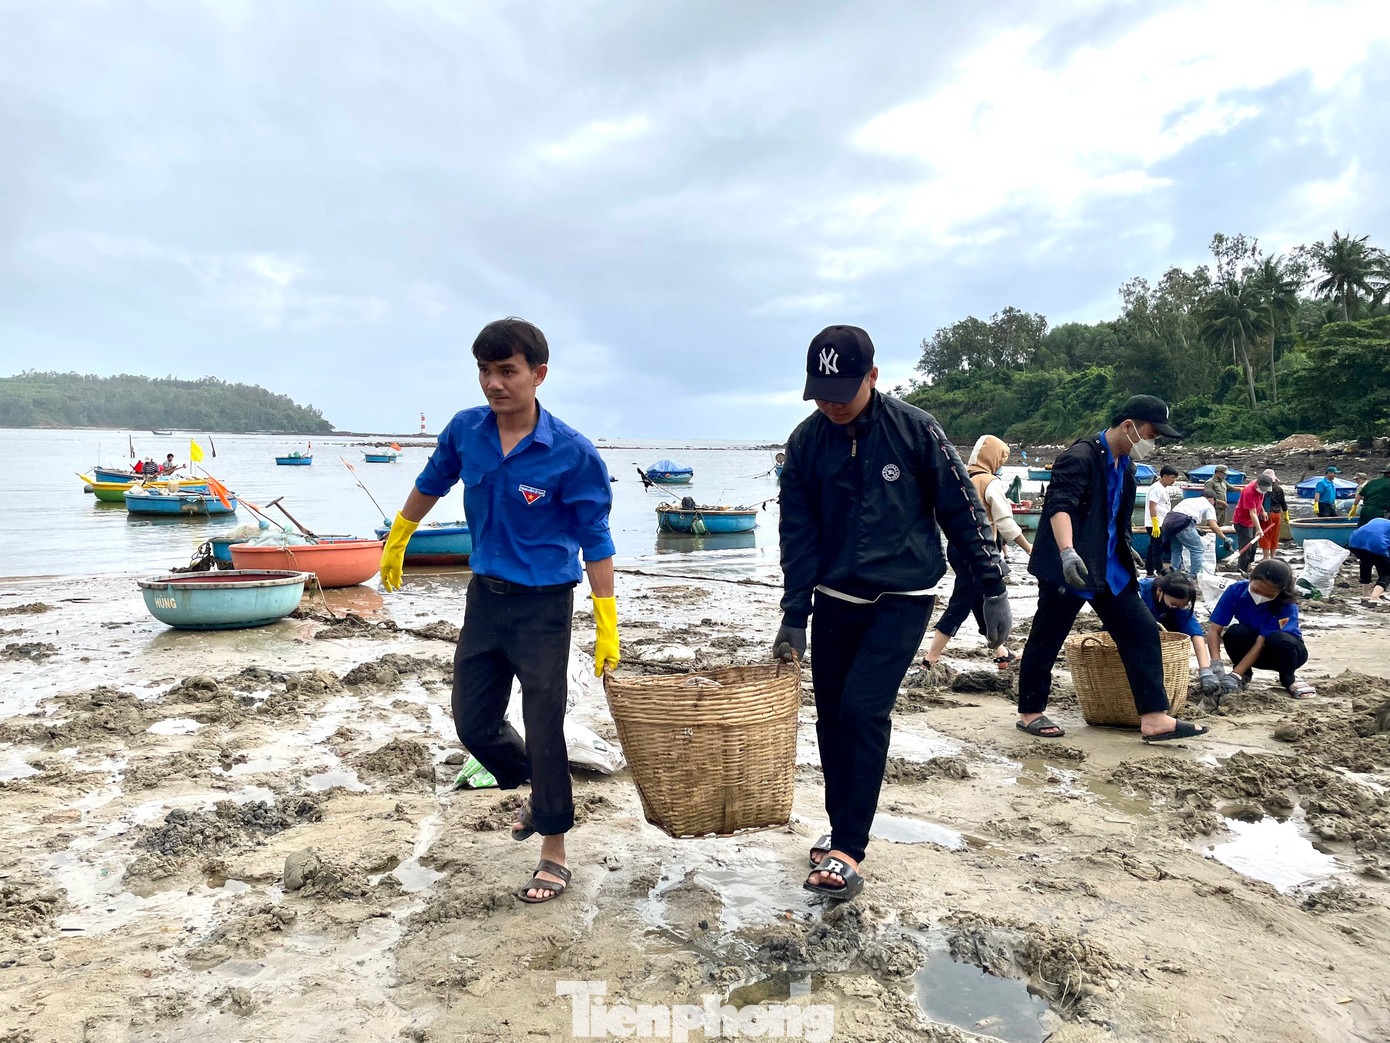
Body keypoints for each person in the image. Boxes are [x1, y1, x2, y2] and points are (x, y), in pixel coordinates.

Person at [378, 317, 619, 904]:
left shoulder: (572, 453)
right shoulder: (467, 432)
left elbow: (597, 538)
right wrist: (400, 533)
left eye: (507, 371)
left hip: (544, 607)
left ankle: (554, 851)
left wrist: (607, 619)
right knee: (474, 723)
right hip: (485, 598)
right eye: (485, 371)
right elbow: (431, 481)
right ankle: (537, 790)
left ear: (538, 374)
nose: (494, 384)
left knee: (544, 726)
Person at [776, 325, 1011, 902]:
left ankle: (849, 849)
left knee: (862, 710)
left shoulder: (916, 430)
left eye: (842, 391)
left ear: (874, 377)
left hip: (903, 599)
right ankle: (839, 828)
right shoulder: (806, 443)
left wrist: (990, 585)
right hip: (835, 600)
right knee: (830, 717)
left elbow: (961, 510)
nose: (830, 403)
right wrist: (793, 613)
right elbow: (798, 534)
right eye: (820, 393)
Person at [1017, 395, 1209, 743]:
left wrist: (1126, 549)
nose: (1154, 443)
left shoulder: (1127, 466)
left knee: (1142, 630)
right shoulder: (1079, 457)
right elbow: (1060, 507)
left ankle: (1153, 717)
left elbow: (1115, 514)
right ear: (1128, 426)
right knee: (1048, 636)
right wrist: (1066, 551)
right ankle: (1030, 711)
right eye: (1152, 434)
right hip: (1070, 566)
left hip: (1110, 569)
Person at [924, 435, 1031, 672]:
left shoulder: (961, 477)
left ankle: (1001, 653)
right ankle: (930, 659)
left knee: (978, 600)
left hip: (956, 548)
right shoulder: (990, 482)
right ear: (994, 458)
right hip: (979, 553)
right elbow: (1005, 523)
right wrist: (1029, 548)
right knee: (961, 603)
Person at [1207, 559, 1315, 700]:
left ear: (1281, 591)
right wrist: (1216, 665)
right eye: (1257, 590)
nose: (1261, 596)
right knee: (1235, 632)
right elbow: (1215, 630)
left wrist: (1235, 674)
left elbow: (1262, 641)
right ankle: (1245, 675)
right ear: (1250, 578)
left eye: (1269, 595)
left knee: (1277, 638)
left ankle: (1289, 679)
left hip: (1285, 653)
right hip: (1253, 649)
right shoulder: (1236, 591)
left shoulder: (1287, 605)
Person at [1136, 571, 1220, 703]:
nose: (1178, 607)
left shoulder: (1179, 604)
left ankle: (1171, 680)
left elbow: (1195, 633)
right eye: (1174, 604)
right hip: (1134, 627)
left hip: (1164, 627)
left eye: (1182, 605)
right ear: (1159, 591)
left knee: (1178, 632)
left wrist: (1205, 670)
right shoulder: (1139, 591)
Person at [1161, 489, 1225, 576]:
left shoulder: (1189, 500)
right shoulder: (1209, 505)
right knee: (1197, 549)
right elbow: (1213, 525)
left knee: (1176, 550)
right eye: (1214, 502)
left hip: (1169, 522)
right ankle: (1194, 575)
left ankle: (1174, 573)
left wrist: (1196, 529)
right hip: (1182, 523)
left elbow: (1181, 515)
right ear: (1212, 499)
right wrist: (1224, 538)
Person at [1143, 466, 1181, 575]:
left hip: (1162, 522)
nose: (1173, 480)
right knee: (1157, 548)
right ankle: (1159, 570)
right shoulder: (1156, 488)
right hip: (1156, 523)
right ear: (1164, 476)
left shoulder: (1163, 488)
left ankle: (1149, 569)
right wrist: (1155, 523)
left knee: (1152, 547)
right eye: (1172, 477)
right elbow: (1152, 506)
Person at [1232, 475, 1272, 573]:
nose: (1264, 491)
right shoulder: (1249, 491)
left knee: (1254, 545)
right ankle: (1242, 568)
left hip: (1253, 521)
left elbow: (1258, 502)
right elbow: (1252, 513)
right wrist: (1259, 529)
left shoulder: (1261, 489)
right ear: (1258, 485)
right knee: (1246, 546)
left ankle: (1249, 565)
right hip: (1242, 521)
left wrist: (1262, 511)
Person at [1349, 517, 1390, 603]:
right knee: (1386, 573)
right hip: (1376, 543)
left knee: (1366, 564)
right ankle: (1375, 596)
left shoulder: (1377, 519)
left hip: (1354, 542)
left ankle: (1365, 594)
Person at [1258, 469, 1287, 560]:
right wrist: (1286, 515)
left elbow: (1260, 502)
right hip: (1278, 514)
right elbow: (1283, 503)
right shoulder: (1279, 489)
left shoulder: (1264, 489)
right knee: (1275, 535)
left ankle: (1266, 557)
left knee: (1265, 535)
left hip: (1267, 514)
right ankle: (1273, 556)